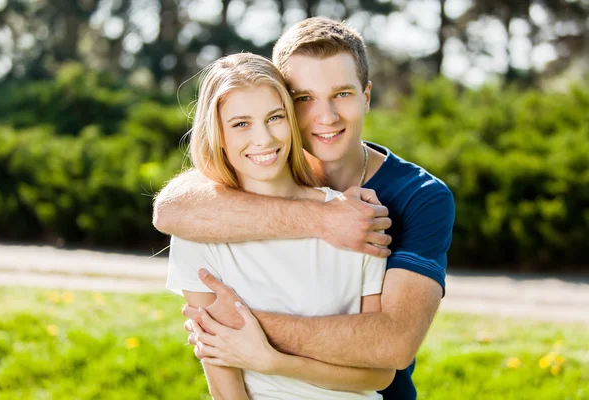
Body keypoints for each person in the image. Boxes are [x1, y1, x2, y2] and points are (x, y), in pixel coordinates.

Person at [154, 17, 455, 399]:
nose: (325, 116)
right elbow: (170, 211)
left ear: (366, 96)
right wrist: (324, 220)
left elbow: (392, 347)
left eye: (342, 94)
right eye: (304, 98)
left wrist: (235, 325)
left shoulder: (416, 197)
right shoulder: (256, 171)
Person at [166, 52, 393, 399]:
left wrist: (272, 361)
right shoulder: (199, 230)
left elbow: (378, 373)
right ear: (218, 135)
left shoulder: (354, 218)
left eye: (275, 117)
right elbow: (227, 391)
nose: (264, 139)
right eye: (241, 124)